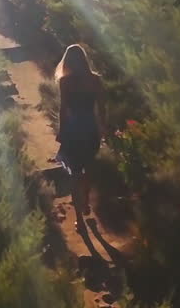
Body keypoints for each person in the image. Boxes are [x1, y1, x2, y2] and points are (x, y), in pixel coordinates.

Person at [55, 44, 105, 230]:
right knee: (88, 170)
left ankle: (79, 218)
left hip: (73, 131)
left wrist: (62, 130)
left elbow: (64, 109)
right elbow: (101, 108)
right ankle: (85, 202)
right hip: (90, 130)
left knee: (75, 175)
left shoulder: (65, 82)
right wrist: (103, 128)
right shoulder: (95, 80)